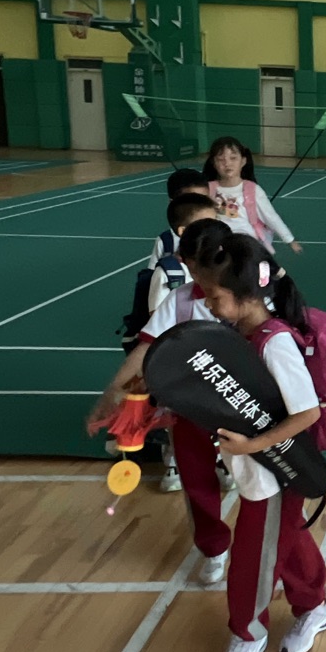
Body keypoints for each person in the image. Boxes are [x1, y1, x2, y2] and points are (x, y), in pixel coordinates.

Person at [191, 232, 326, 652]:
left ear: (246, 294)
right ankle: (316, 603)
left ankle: (247, 633)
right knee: (285, 538)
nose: (208, 304)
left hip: (274, 472)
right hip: (253, 470)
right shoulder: (236, 334)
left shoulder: (274, 344)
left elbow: (308, 412)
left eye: (215, 295)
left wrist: (254, 446)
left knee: (252, 559)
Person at [93, 218, 235, 551]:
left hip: (246, 405)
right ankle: (213, 548)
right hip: (190, 404)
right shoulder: (180, 300)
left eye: (203, 266)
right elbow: (146, 349)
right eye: (192, 268)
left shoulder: (255, 294)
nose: (198, 275)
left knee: (265, 483)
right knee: (196, 479)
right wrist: (113, 392)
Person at [202, 136, 302, 254]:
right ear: (214, 163)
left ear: (243, 161)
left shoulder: (252, 190)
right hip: (218, 244)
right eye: (220, 159)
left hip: (247, 244)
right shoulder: (207, 189)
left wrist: (289, 239)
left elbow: (270, 216)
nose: (227, 163)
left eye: (233, 158)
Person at [145, 192, 219, 317]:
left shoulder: (223, 263)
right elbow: (157, 316)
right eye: (205, 224)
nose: (213, 230)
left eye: (215, 222)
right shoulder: (168, 273)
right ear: (183, 231)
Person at [145, 168, 209, 267]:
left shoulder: (218, 236)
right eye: (191, 201)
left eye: (205, 200)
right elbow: (151, 274)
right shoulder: (166, 242)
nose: (200, 207)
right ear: (173, 204)